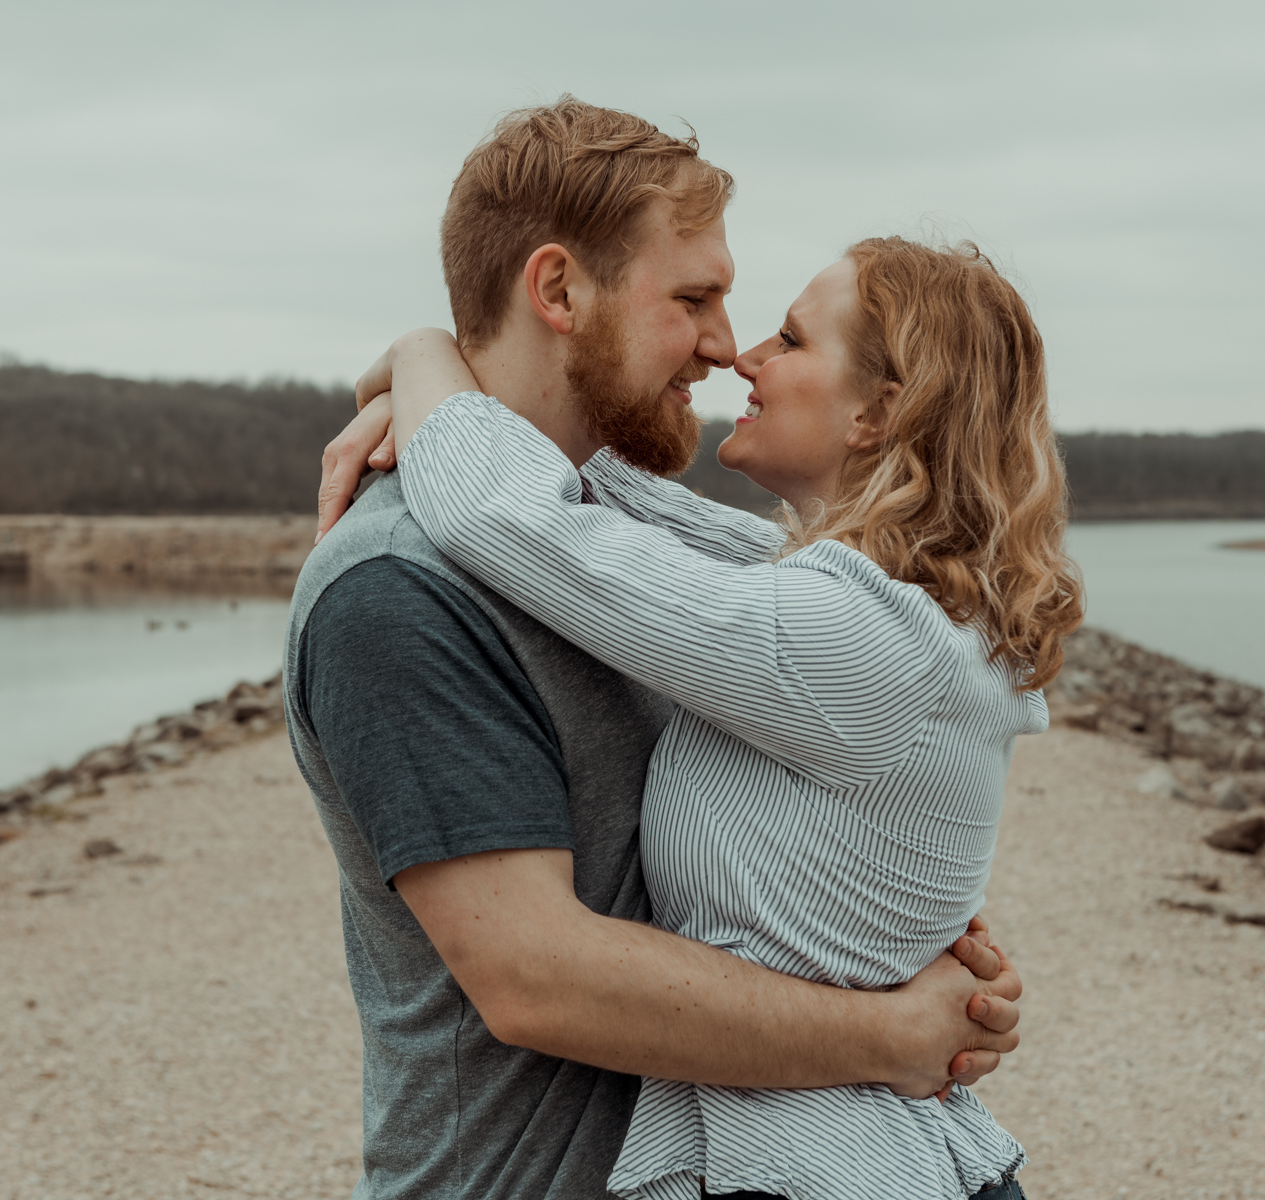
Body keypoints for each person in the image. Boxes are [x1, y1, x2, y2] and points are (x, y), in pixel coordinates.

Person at [286, 98, 1024, 1200]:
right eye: (695, 300)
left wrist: (886, 927)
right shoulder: (399, 590)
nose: (727, 348)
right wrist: (887, 1033)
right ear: (558, 292)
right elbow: (538, 979)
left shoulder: (634, 552)